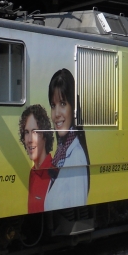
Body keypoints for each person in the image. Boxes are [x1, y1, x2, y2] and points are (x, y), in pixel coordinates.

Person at [44, 68, 90, 210]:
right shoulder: (61, 154)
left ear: (74, 108)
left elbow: (76, 210)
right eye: (53, 105)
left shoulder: (76, 157)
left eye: (63, 104)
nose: (56, 114)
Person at [19, 104, 53, 214]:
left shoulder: (55, 174)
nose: (29, 140)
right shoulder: (33, 173)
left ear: (45, 136)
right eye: (26, 132)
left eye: (35, 132)